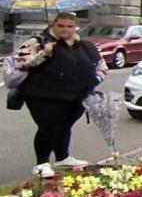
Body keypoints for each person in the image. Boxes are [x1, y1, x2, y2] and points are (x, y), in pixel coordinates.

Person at [14, 12, 104, 178]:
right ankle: (42, 163)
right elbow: (20, 63)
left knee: (64, 126)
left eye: (69, 26)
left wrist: (95, 79)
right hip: (43, 95)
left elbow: (100, 65)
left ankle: (62, 157)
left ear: (75, 27)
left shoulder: (84, 45)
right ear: (52, 25)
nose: (65, 30)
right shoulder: (37, 42)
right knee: (49, 127)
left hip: (75, 96)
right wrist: (44, 54)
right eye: (60, 26)